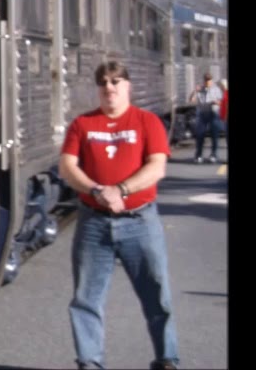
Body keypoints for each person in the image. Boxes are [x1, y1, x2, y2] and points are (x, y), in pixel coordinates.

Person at [59, 61, 179, 370]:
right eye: (103, 82)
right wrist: (98, 190)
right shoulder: (82, 125)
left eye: (115, 81)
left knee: (157, 297)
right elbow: (68, 167)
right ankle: (90, 363)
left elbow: (156, 167)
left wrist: (121, 190)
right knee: (86, 299)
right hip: (93, 222)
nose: (109, 87)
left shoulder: (147, 121)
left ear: (128, 86)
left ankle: (166, 359)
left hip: (140, 222)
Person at [188, 73, 224, 163]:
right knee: (200, 135)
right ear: (204, 81)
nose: (208, 82)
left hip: (213, 114)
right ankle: (198, 155)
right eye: (206, 80)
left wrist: (216, 102)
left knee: (214, 135)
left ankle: (214, 154)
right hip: (202, 114)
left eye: (209, 80)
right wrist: (195, 91)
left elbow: (221, 103)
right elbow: (191, 100)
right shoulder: (200, 90)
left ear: (212, 81)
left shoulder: (216, 90)